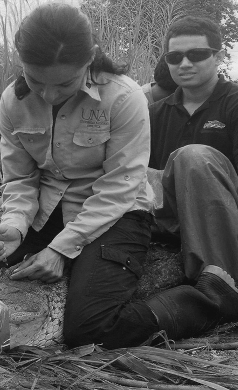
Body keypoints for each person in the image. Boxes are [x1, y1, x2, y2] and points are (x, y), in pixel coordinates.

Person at [0, 2, 164, 349]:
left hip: (118, 212)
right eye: (36, 80)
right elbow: (20, 179)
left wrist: (61, 250)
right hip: (48, 209)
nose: (49, 94)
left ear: (89, 60)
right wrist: (14, 226)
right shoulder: (12, 102)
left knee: (89, 330)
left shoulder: (123, 97)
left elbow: (121, 186)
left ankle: (201, 300)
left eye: (65, 83)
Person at [148, 16, 238, 340]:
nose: (184, 63)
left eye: (196, 54)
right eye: (174, 57)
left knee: (193, 157)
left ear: (218, 55)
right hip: (169, 215)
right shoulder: (153, 114)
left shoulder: (234, 103)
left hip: (227, 208)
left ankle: (224, 281)